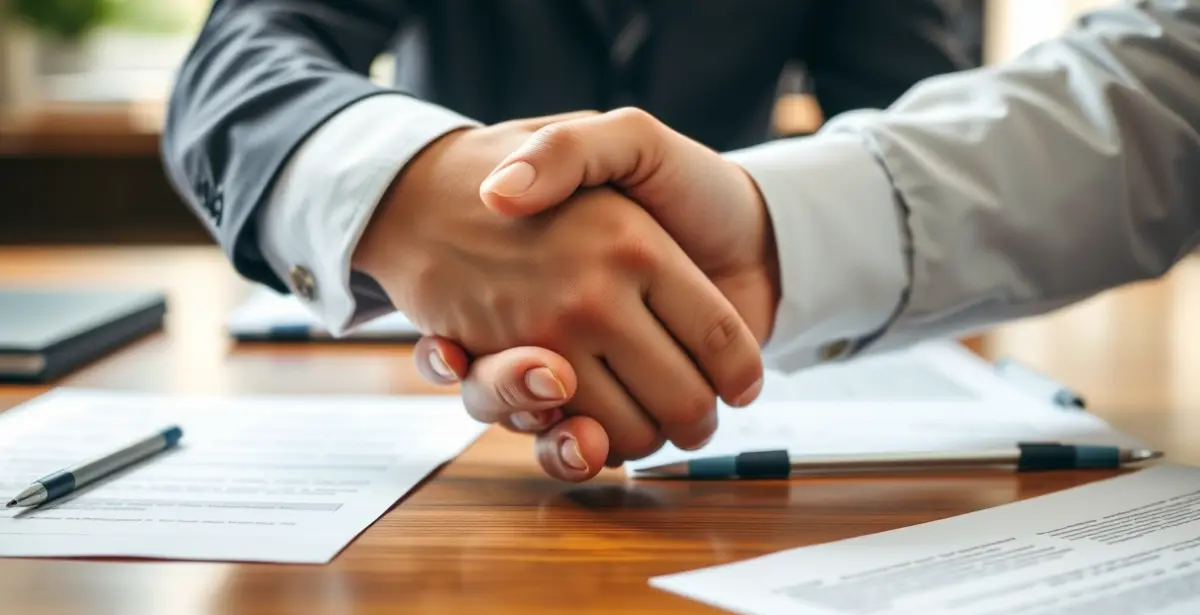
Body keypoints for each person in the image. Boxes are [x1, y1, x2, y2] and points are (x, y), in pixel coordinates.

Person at [415, 0, 1200, 481]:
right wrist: (407, 194)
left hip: (712, 307)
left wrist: (770, 237)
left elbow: (1164, 93)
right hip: (435, 312)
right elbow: (286, 35)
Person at [161, 2, 970, 469]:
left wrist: (775, 239)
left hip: (728, 337)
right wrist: (406, 190)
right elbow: (240, 56)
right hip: (441, 369)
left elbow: (919, 128)